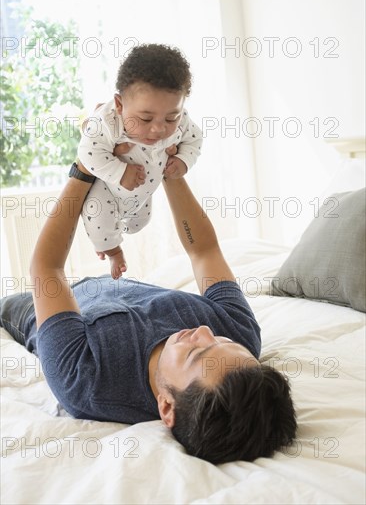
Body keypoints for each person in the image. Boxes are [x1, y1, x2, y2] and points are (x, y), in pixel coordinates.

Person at [0, 161, 297, 464]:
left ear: (167, 407)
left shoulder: (87, 381)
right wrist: (170, 171)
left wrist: (83, 171)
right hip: (118, 287)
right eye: (224, 341)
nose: (206, 332)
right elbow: (204, 251)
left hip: (47, 312)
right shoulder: (240, 335)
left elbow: (47, 268)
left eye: (197, 353)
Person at [78, 43, 202, 279]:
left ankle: (121, 227)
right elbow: (87, 153)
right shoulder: (108, 121)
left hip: (143, 193)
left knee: (141, 223)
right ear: (119, 105)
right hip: (106, 190)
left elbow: (195, 140)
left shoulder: (183, 121)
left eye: (171, 117)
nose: (158, 129)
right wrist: (120, 172)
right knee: (100, 221)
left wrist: (184, 160)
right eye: (145, 119)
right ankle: (113, 251)